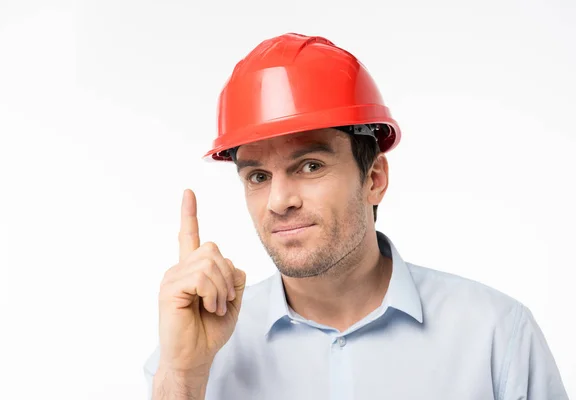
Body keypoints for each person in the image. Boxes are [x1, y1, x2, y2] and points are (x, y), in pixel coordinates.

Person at [143, 33, 569, 399]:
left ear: (375, 178)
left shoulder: (494, 335)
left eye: (309, 166)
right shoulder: (197, 349)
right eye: (257, 176)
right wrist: (182, 376)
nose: (278, 201)